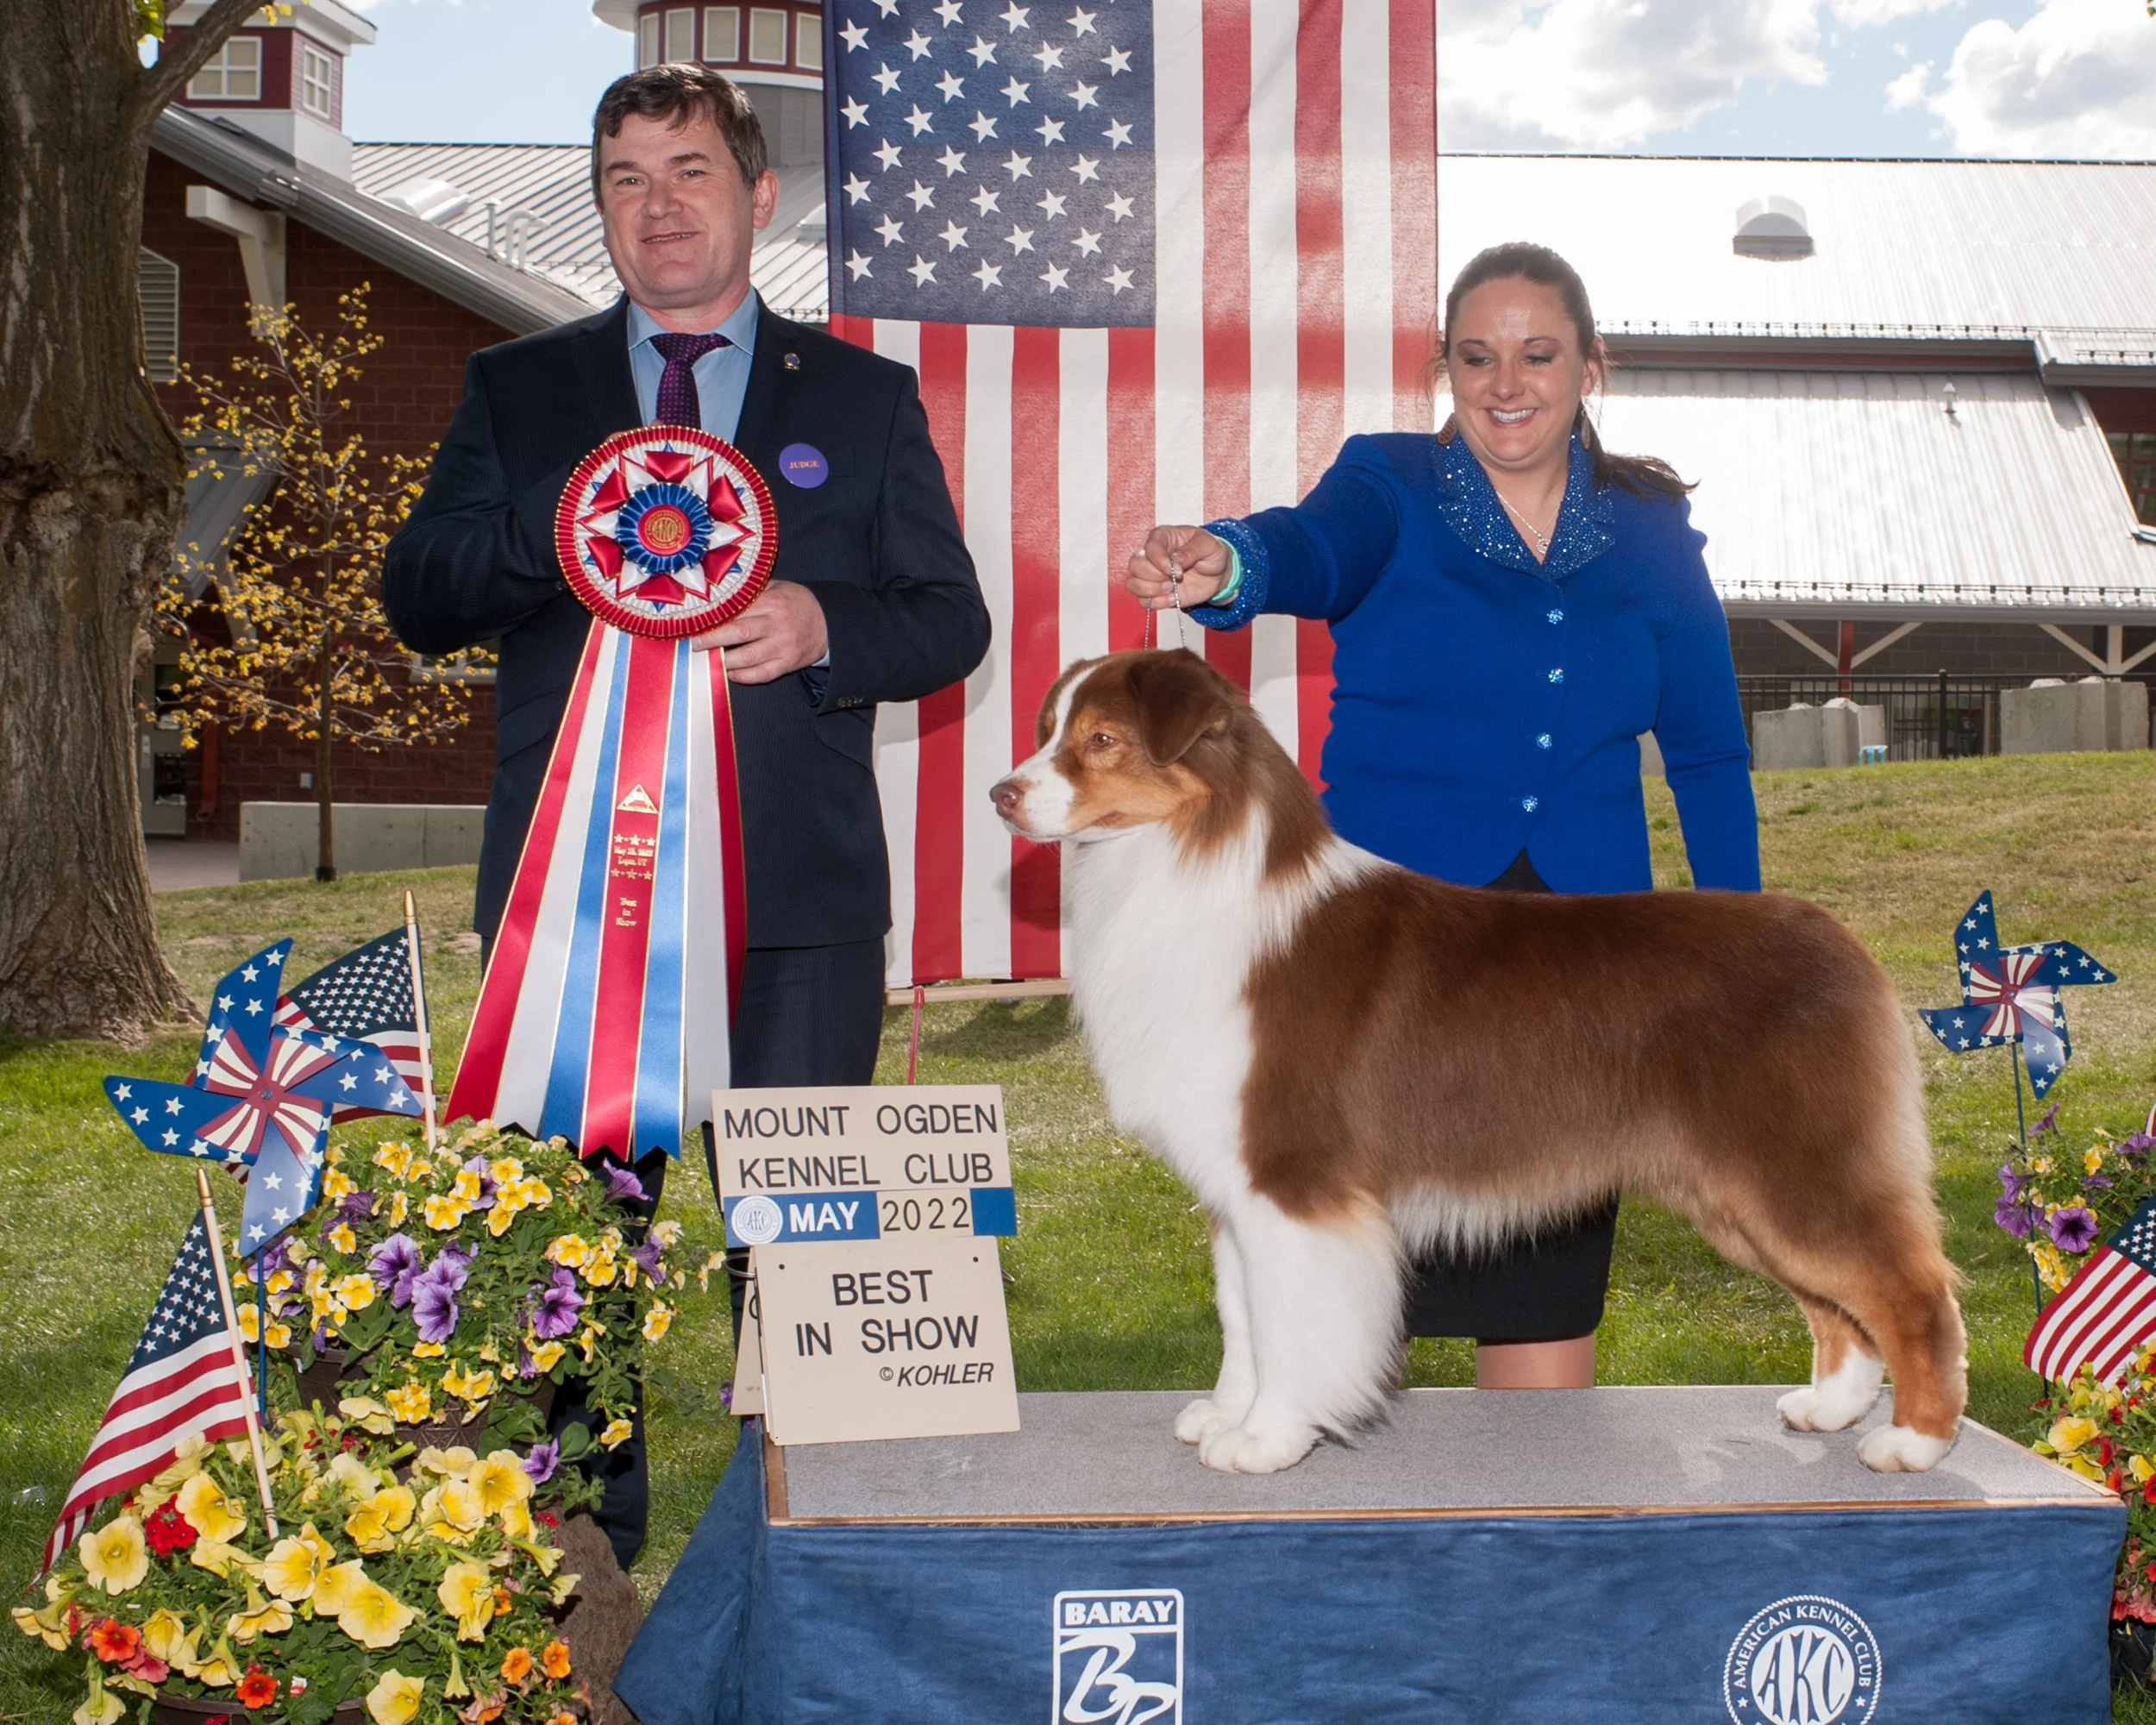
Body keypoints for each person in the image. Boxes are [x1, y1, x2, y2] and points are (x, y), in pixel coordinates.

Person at [383, 65, 987, 1566]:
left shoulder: (861, 396)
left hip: (800, 909)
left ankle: (811, 1556)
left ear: (757, 196)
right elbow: (421, 597)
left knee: (804, 1266)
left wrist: (822, 620)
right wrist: (559, 523)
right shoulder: (517, 392)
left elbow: (948, 621)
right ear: (600, 205)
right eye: (627, 177)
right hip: (580, 916)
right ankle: (575, 1578)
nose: (659, 205)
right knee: (565, 1275)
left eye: (691, 170)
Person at [1125, 241, 1759, 1394]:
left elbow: (1709, 753)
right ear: (1444, 368)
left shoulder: (1654, 533)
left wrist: (1737, 939)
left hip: (1576, 955)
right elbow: (1309, 551)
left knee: (1543, 1307)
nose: (1506, 383)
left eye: (1537, 354)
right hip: (1387, 952)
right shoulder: (1390, 483)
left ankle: (1529, 1544)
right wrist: (1227, 561)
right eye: (1477, 357)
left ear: (1590, 368)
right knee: (1342, 1254)